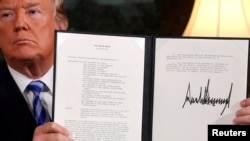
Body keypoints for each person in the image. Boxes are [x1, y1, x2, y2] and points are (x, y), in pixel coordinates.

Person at [0, 0, 73, 140]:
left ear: (60, 24)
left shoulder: (102, 89)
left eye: (33, 12)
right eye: (7, 15)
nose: (20, 24)